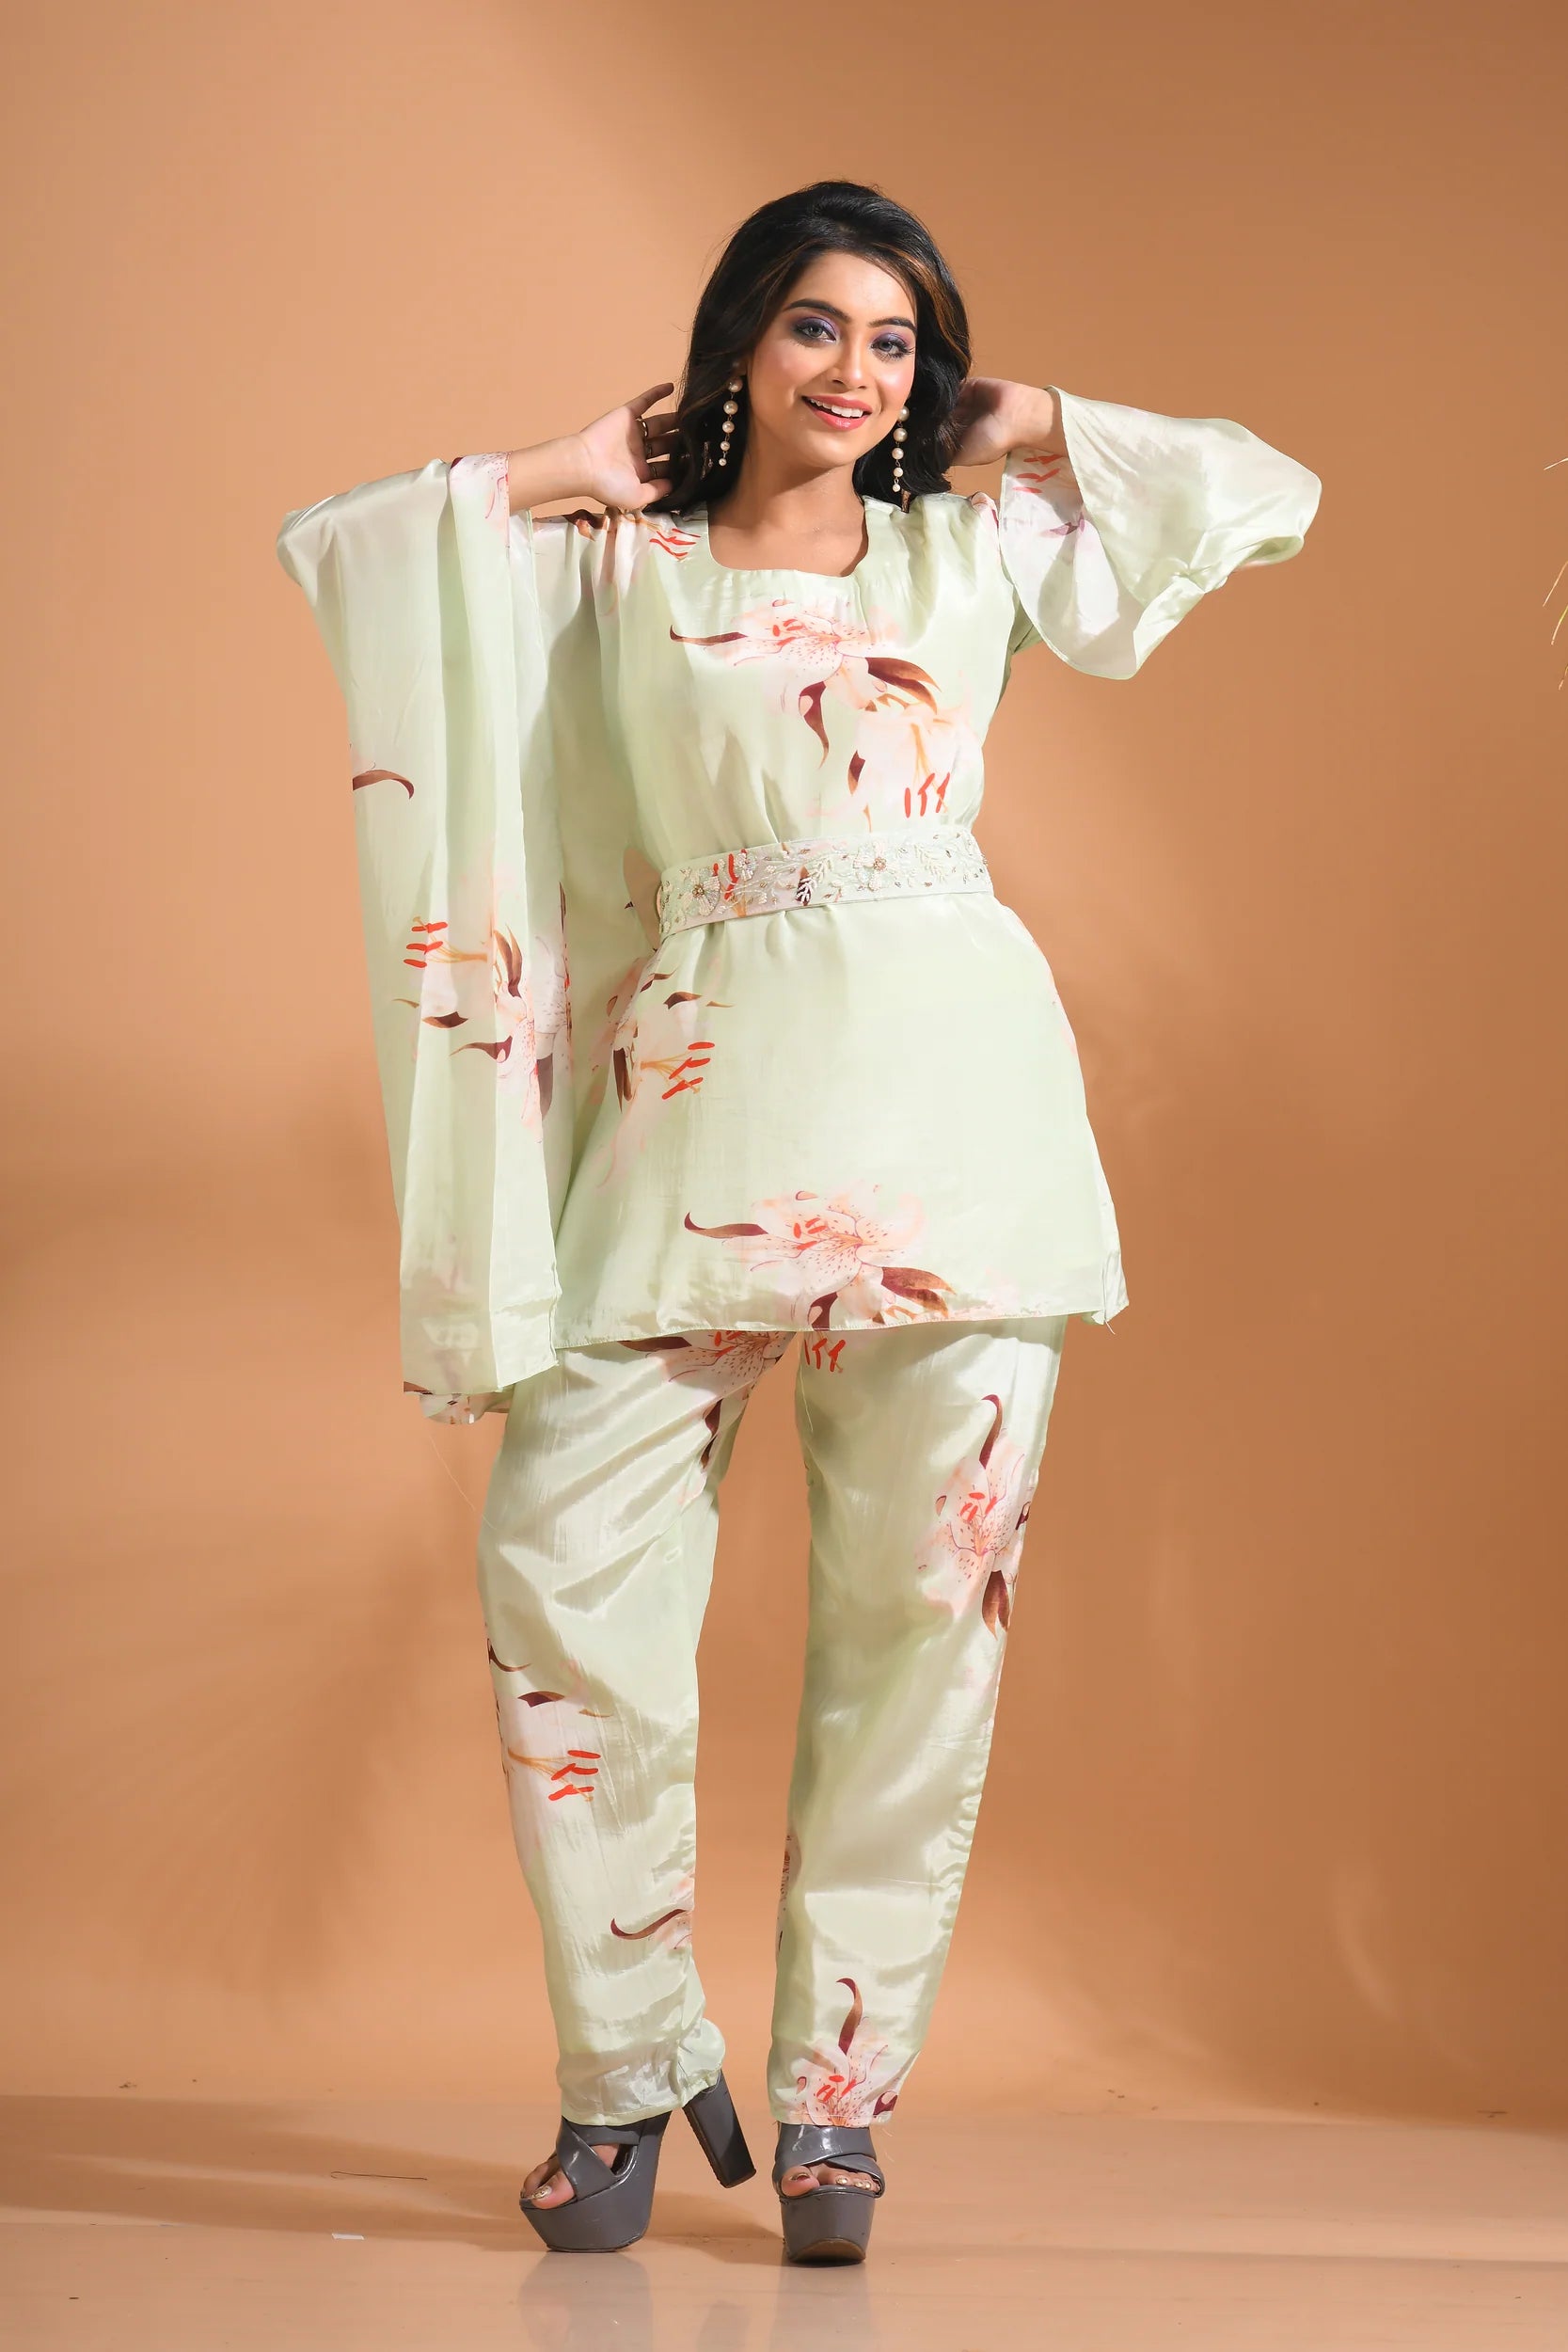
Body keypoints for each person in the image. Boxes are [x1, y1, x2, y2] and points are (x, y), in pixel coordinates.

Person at [277, 179, 1320, 2264]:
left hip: (962, 1135)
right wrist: (562, 464)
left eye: (897, 340)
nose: (858, 371)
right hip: (696, 1118)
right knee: (564, 1567)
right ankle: (625, 2068)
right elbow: (352, 550)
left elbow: (1261, 493)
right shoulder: (616, 561)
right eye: (819, 327)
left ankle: (840, 2103)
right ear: (741, 338)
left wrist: (1031, 420)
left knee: (917, 1623)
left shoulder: (970, 544)